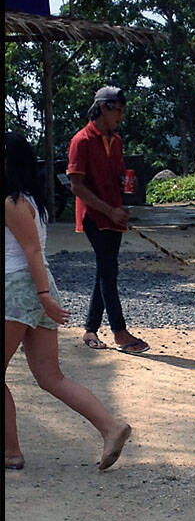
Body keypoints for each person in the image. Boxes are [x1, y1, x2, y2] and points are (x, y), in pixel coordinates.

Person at [4, 131, 131, 470]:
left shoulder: (12, 202)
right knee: (51, 377)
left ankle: (10, 452)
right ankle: (111, 427)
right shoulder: (31, 200)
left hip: (19, 290)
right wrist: (44, 295)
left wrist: (43, 296)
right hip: (36, 288)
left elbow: (31, 251)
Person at [67, 86, 150, 354]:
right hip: (94, 215)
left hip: (114, 214)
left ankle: (90, 329)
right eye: (119, 111)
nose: (121, 118)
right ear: (104, 107)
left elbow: (117, 176)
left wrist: (127, 188)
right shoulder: (81, 141)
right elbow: (76, 186)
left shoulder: (117, 141)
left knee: (105, 270)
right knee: (108, 271)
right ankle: (120, 332)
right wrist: (109, 210)